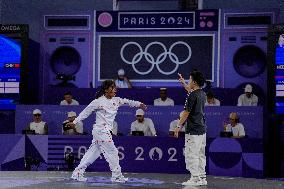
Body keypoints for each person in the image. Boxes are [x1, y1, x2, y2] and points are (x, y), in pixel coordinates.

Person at [67, 80, 146, 183]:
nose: (115, 89)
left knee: (92, 153)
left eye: (115, 87)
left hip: (104, 132)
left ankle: (77, 173)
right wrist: (75, 121)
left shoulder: (117, 100)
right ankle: (117, 176)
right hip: (100, 131)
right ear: (106, 89)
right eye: (112, 87)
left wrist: (139, 104)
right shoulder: (98, 101)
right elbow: (85, 112)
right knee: (113, 152)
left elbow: (128, 101)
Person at [175, 71, 207, 186]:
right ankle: (202, 177)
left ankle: (195, 178)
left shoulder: (192, 95)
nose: (188, 81)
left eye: (189, 80)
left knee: (191, 154)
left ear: (194, 81)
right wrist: (184, 83)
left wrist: (178, 126)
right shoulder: (202, 93)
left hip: (193, 130)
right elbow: (191, 92)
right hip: (202, 130)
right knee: (200, 154)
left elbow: (186, 113)